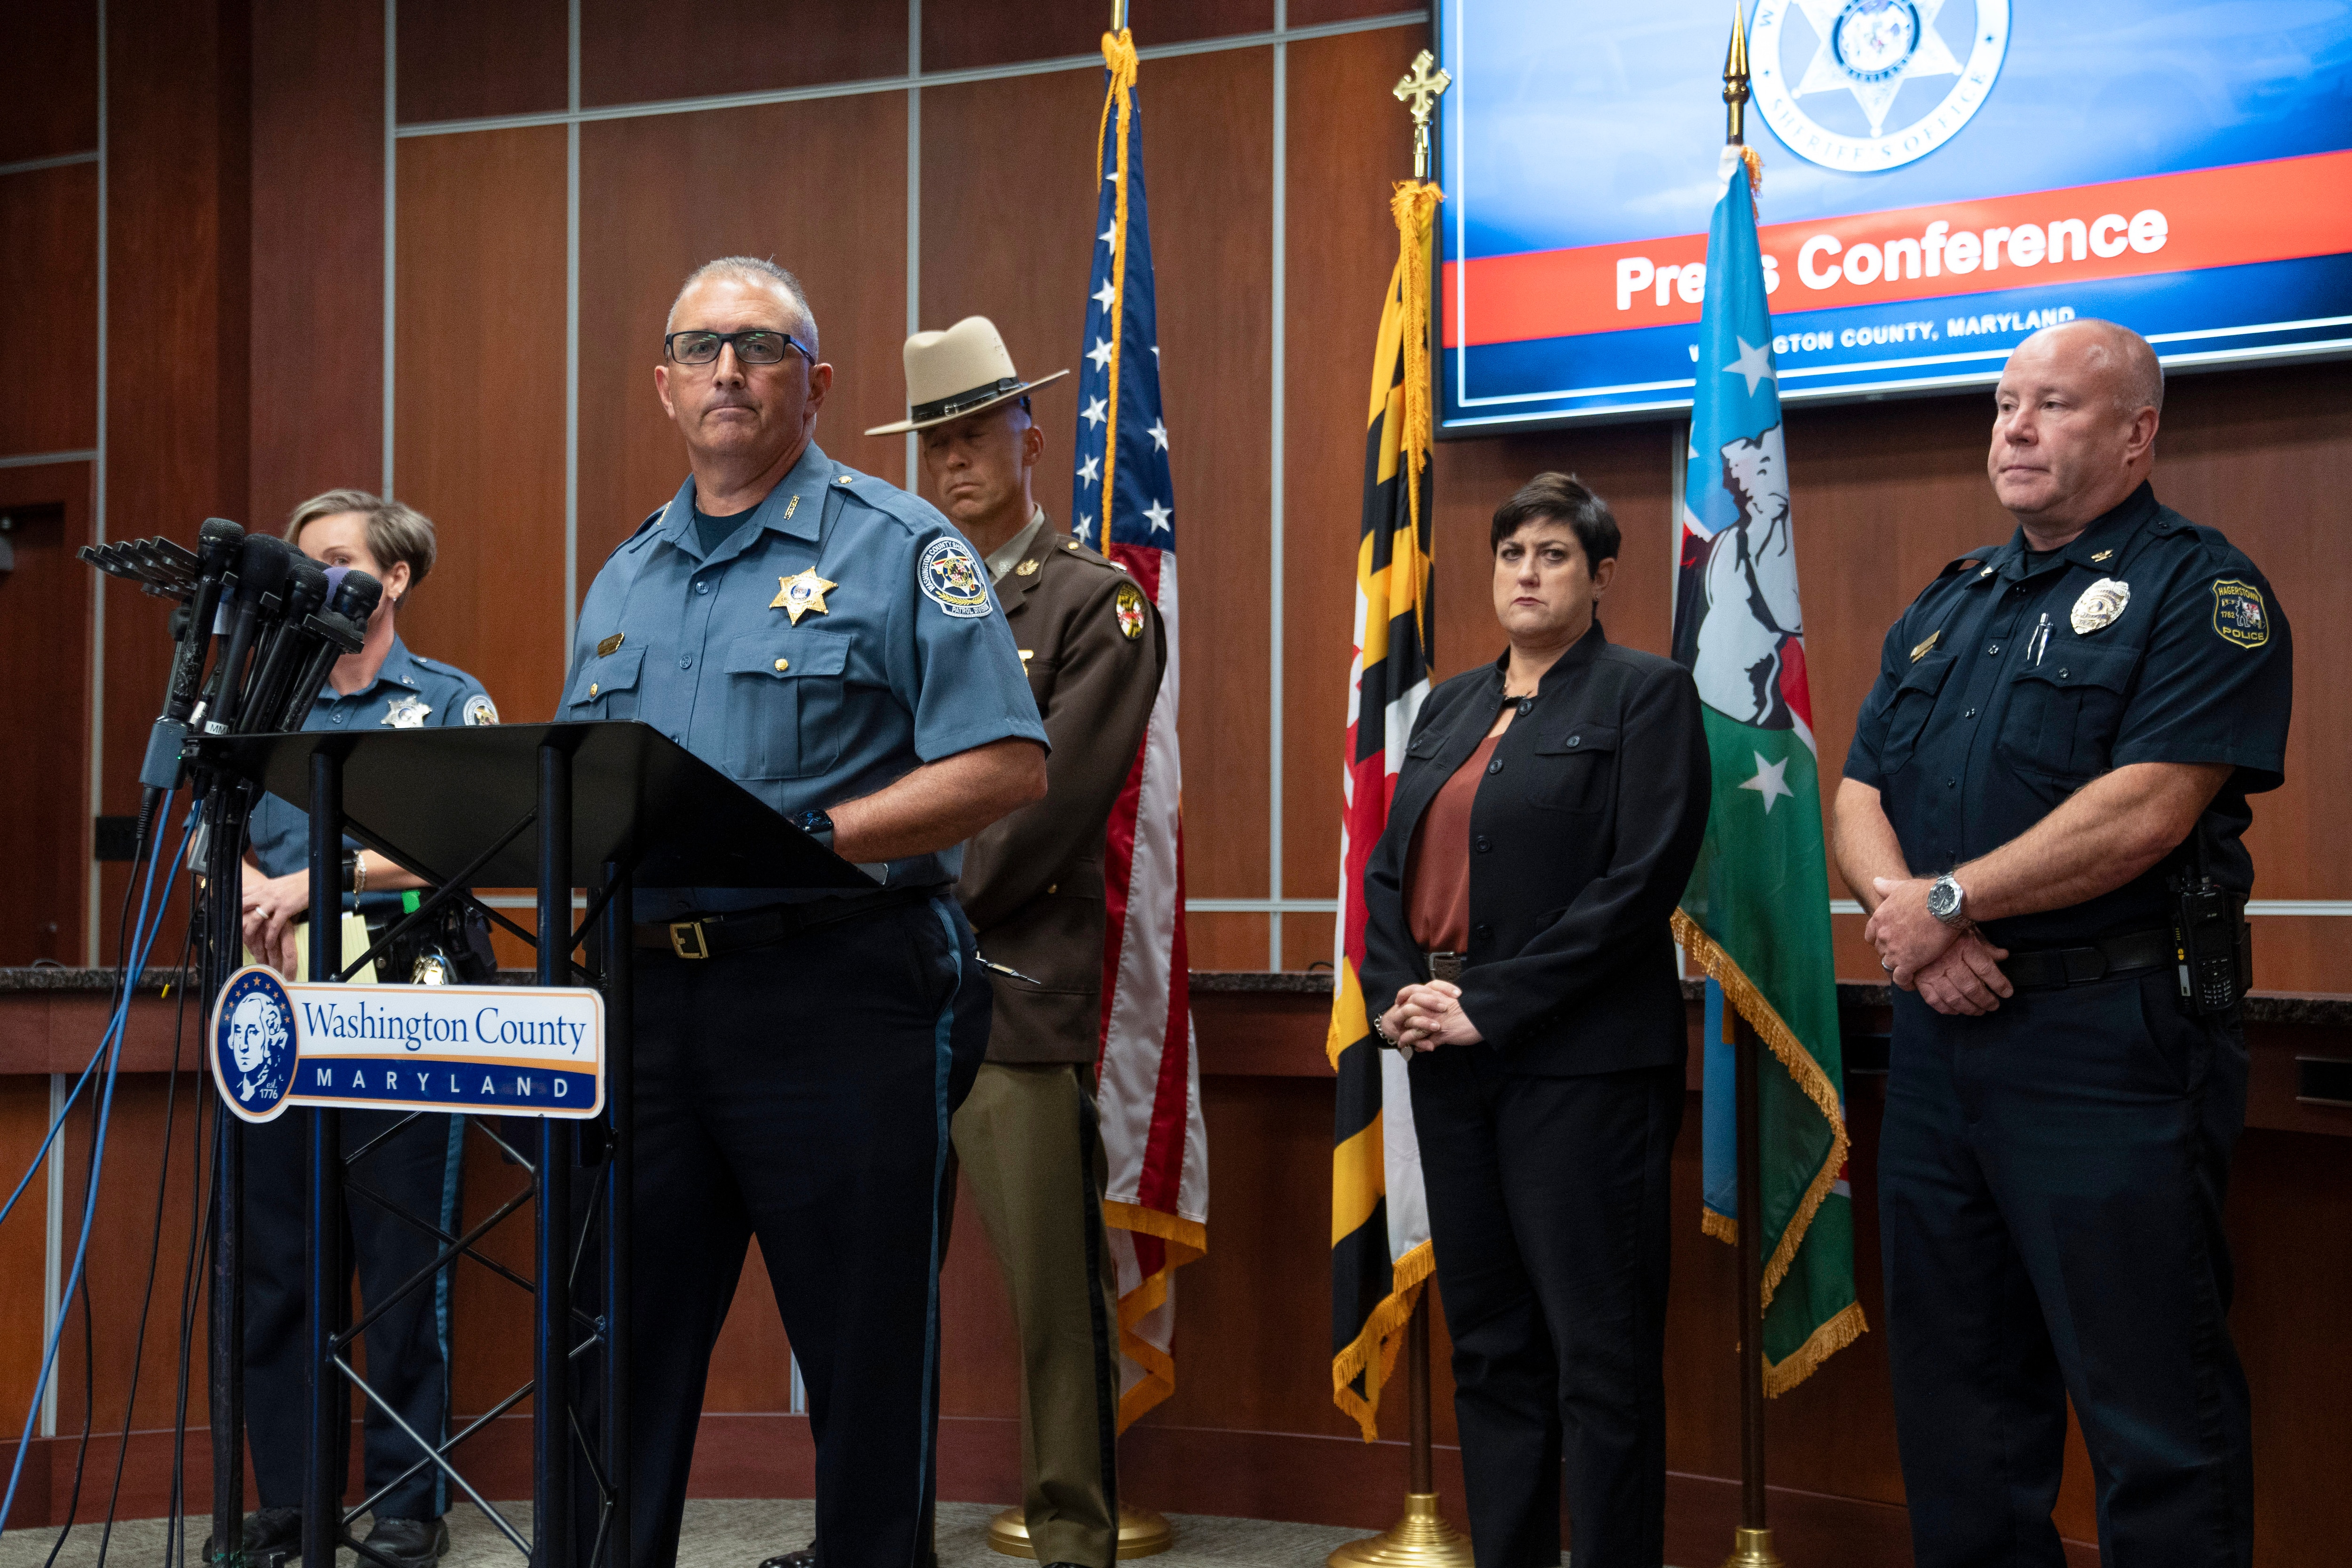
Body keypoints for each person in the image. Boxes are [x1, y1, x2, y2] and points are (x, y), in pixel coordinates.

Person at [566, 258, 1047, 1568]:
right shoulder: (622, 581)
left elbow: (1007, 760)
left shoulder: (900, 548)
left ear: (815, 384)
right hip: (648, 1003)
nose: (729, 369)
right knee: (618, 1349)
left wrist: (818, 833)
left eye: (760, 347)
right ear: (663, 384)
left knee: (865, 1358)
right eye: (701, 347)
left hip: (834, 995)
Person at [1835, 319, 2290, 1568]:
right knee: (1960, 1412)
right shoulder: (1949, 600)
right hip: (1944, 1050)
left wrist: (1944, 904)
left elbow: (2146, 807)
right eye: (2004, 403)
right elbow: (1858, 791)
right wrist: (1919, 926)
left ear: (2137, 433)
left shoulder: (2205, 590)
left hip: (2111, 1054)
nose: (2018, 429)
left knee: (2156, 1413)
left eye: (2056, 406)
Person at [1360, 473, 1709, 1568]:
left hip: (1582, 1069)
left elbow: (1637, 883)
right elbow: (1386, 868)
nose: (1527, 572)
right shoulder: (1452, 704)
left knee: (1595, 1356)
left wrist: (1491, 1002)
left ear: (1602, 577)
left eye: (1554, 555)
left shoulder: (1644, 695)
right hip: (1445, 1054)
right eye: (1513, 553)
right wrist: (1394, 999)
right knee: (1492, 1346)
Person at [217, 489, 500, 1568]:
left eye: (340, 559)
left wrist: (311, 881)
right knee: (280, 1268)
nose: (319, 577)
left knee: (401, 1267)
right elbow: (212, 827)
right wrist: (250, 885)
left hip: (401, 1011)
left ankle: (404, 1502)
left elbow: (468, 843)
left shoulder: (446, 698)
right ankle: (291, 1500)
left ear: (394, 577)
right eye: (306, 564)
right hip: (276, 1017)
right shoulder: (263, 702)